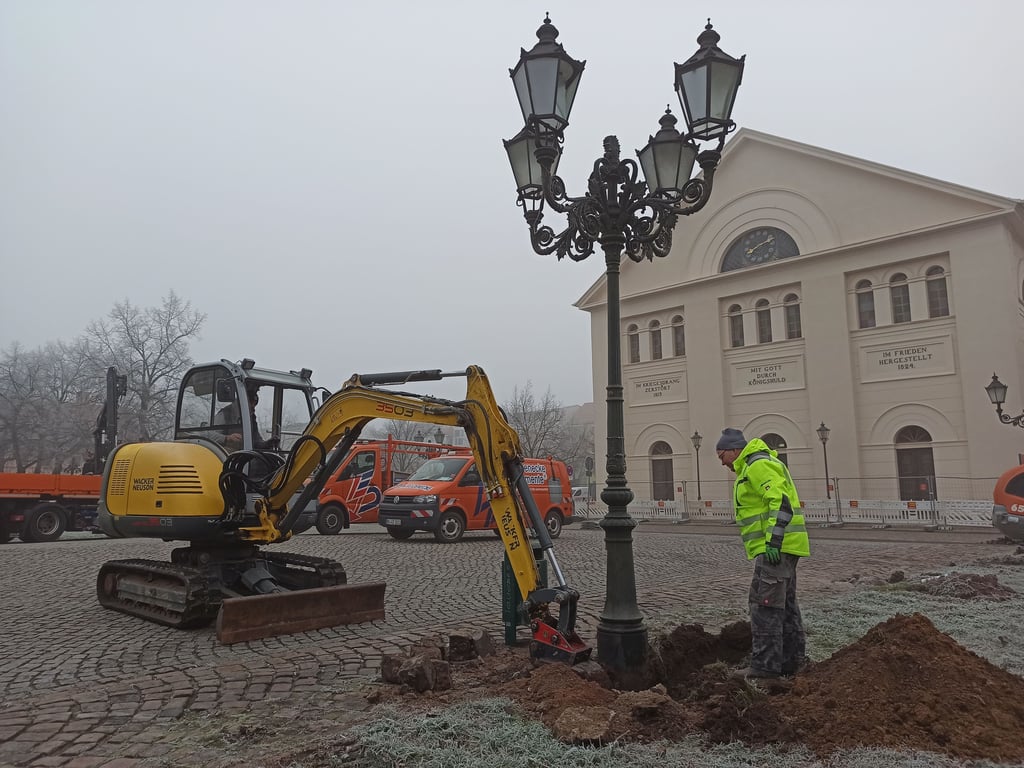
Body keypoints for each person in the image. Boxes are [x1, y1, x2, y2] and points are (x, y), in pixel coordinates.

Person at [716, 427, 810, 680]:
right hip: (786, 546)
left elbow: (780, 502)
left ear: (734, 450)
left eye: (722, 456)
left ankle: (765, 668)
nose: (722, 463)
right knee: (786, 605)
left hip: (776, 549)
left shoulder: (757, 466)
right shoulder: (758, 464)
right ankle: (791, 662)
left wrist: (773, 542)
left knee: (764, 605)